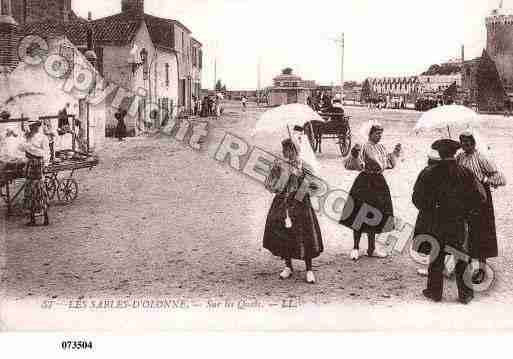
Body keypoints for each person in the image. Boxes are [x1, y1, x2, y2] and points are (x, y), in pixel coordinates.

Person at [413, 139, 486, 304]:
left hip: (436, 221)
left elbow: (417, 199)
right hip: (458, 221)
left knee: (436, 255)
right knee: (461, 255)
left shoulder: (428, 172)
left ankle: (434, 292)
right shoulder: (466, 173)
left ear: (439, 153)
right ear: (454, 153)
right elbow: (480, 197)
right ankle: (465, 294)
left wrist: (430, 209)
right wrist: (466, 212)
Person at [263, 137, 323, 284]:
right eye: (283, 149)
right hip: (283, 202)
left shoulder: (304, 165)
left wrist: (301, 178)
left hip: (301, 204)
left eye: (286, 149)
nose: (283, 152)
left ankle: (309, 269)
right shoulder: (280, 164)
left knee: (305, 233)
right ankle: (288, 266)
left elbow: (316, 186)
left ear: (293, 150)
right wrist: (280, 177)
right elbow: (270, 184)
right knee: (284, 232)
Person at [340, 122, 401, 260]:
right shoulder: (363, 147)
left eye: (381, 133)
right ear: (370, 133)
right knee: (359, 214)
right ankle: (355, 247)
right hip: (365, 183)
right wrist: (354, 155)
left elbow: (388, 163)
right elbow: (354, 164)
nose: (379, 136)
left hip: (379, 183)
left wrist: (395, 153)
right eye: (377, 133)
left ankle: (371, 248)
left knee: (375, 215)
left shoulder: (381, 147)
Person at [457, 131, 506, 284]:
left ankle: (481, 269)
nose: (466, 145)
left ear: (474, 143)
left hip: (481, 200)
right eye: (463, 142)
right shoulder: (459, 157)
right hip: (464, 200)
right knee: (465, 234)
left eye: (468, 142)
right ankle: (468, 266)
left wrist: (484, 179)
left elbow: (501, 179)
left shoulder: (482, 157)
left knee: (480, 234)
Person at [23, 121, 51, 226]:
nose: (31, 128)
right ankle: (33, 219)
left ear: (37, 126)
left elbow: (47, 152)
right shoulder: (28, 137)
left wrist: (45, 165)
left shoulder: (42, 137)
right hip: (31, 164)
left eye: (33, 126)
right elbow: (23, 149)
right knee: (30, 192)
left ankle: (45, 218)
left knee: (39, 192)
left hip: (38, 164)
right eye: (30, 126)